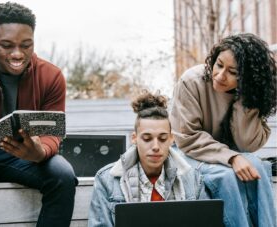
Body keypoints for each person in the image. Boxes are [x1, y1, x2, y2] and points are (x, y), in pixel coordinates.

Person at [0, 2, 77, 226]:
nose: (17, 54)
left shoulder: (51, 76)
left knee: (63, 174)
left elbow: (53, 132)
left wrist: (40, 153)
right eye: (6, 45)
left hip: (23, 157)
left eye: (26, 45)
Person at [170, 33, 277, 227]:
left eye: (233, 72)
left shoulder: (249, 93)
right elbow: (187, 137)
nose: (219, 76)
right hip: (190, 152)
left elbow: (247, 144)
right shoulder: (192, 81)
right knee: (227, 176)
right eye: (219, 65)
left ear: (247, 77)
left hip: (228, 154)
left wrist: (244, 99)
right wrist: (232, 158)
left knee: (258, 167)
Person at [88, 91, 207, 227]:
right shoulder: (107, 180)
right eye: (147, 138)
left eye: (162, 138)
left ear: (171, 139)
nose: (155, 146)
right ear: (134, 138)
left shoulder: (193, 179)